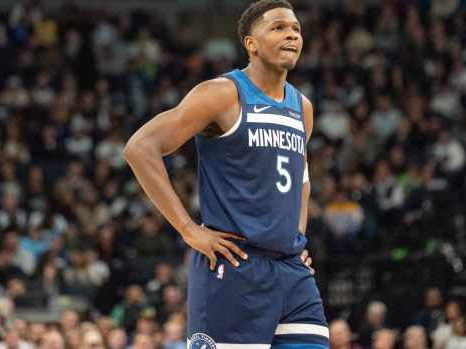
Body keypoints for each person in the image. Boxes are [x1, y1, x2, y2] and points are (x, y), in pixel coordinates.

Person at [123, 0, 328, 348]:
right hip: (234, 266)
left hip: (292, 272)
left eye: (295, 28)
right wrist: (189, 230)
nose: (292, 34)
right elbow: (140, 148)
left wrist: (297, 236)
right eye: (278, 27)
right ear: (251, 43)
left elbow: (301, 181)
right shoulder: (221, 94)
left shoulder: (302, 107)